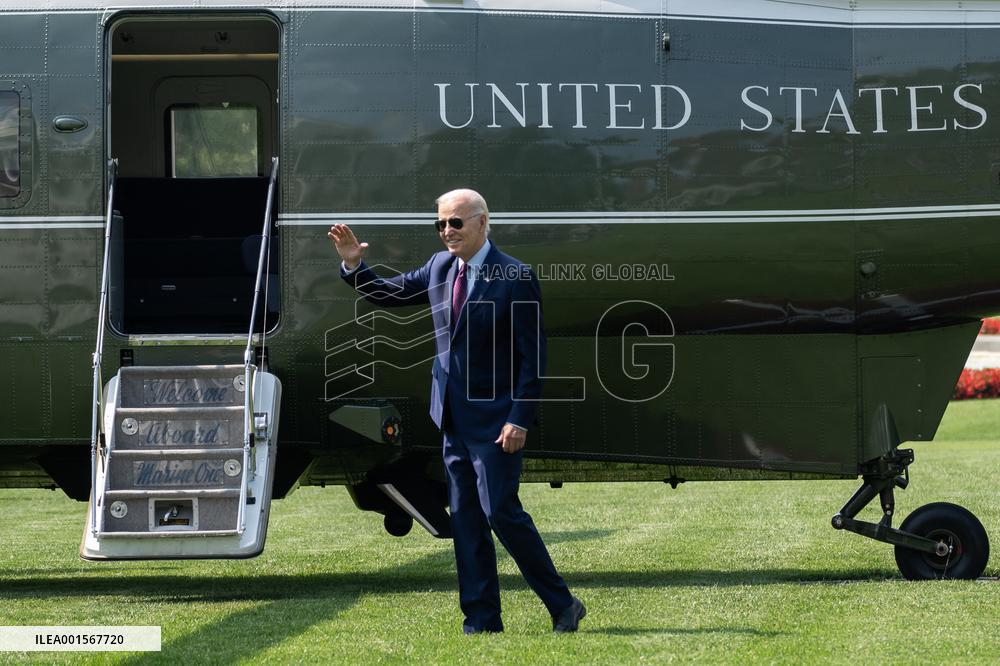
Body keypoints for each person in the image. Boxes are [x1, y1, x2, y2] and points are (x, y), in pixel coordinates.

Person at [328, 188, 585, 634]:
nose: (447, 231)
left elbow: (533, 358)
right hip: (451, 418)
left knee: (501, 513)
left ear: (483, 222)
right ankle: (482, 621)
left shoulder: (515, 276)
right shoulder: (440, 266)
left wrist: (519, 417)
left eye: (456, 223)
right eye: (441, 224)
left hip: (497, 420)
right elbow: (389, 294)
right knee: (466, 521)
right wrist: (354, 265)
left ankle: (562, 603)